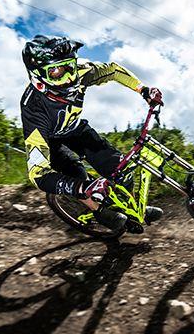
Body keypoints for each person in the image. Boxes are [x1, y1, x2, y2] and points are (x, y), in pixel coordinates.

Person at [20, 35, 164, 231]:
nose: (70, 77)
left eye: (70, 65)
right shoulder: (33, 109)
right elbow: (37, 174)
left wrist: (143, 89)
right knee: (77, 176)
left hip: (75, 129)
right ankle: (98, 211)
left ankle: (135, 209)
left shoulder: (81, 72)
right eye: (56, 71)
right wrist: (83, 188)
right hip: (51, 140)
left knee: (121, 169)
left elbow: (112, 71)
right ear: (38, 77)